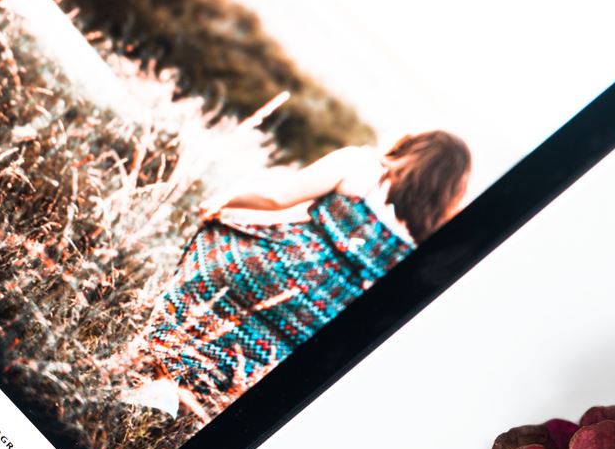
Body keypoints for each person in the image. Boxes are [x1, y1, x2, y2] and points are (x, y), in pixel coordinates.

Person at [134, 131, 471, 418]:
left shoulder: (361, 166)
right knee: (259, 355)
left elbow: (276, 197)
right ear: (450, 190)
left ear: (413, 147)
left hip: (272, 267)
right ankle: (192, 399)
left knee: (208, 287)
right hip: (327, 314)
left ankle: (164, 380)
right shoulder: (430, 237)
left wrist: (224, 203)